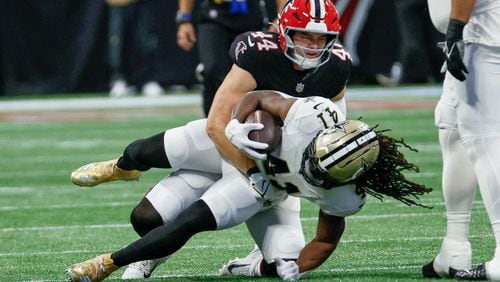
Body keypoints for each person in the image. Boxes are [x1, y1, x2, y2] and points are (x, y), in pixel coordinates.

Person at [70, 0, 352, 278]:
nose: (313, 46)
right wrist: (250, 166)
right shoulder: (259, 52)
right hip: (230, 140)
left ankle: (248, 265)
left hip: (271, 177)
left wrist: (276, 176)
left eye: (321, 38)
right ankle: (123, 169)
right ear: (284, 31)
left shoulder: (335, 69)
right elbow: (217, 123)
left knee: (285, 263)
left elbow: (333, 131)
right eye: (305, 36)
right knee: (143, 181)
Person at [66, 90, 432, 282]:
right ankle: (121, 168)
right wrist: (242, 122)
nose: (315, 172)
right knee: (141, 171)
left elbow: (324, 241)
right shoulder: (311, 116)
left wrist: (300, 266)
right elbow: (258, 97)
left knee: (195, 223)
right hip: (230, 146)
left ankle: (109, 264)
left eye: (325, 174)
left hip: (263, 189)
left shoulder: (345, 195)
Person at [422, 0, 500, 280]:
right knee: (451, 123)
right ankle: (454, 247)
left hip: (484, 33)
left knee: (485, 139)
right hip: (481, 28)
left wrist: (456, 30)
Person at [176, 0, 286, 115]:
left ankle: (250, 120)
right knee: (212, 69)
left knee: (255, 72)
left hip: (251, 15)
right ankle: (211, 122)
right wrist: (184, 19)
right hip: (214, 15)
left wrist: (281, 17)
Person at [106, 0, 165, 97]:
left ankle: (148, 80)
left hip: (143, 3)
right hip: (118, 3)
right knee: (117, 42)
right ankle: (118, 79)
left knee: (145, 40)